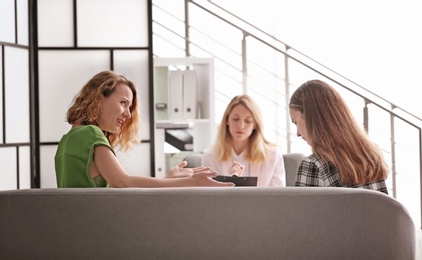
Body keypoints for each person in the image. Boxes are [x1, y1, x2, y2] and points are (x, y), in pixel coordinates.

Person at [55, 70, 234, 188]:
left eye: (129, 107)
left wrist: (168, 179)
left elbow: (120, 185)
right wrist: (190, 182)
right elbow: (123, 183)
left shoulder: (67, 140)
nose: (128, 115)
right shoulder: (91, 134)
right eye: (123, 103)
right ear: (99, 98)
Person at [289, 79, 389, 194]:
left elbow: (301, 211)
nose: (297, 133)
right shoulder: (371, 156)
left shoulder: (313, 165)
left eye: (295, 122)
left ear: (311, 118)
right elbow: (384, 209)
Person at [202, 94, 286, 187]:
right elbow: (209, 198)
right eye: (235, 119)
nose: (241, 125)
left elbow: (278, 197)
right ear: (227, 120)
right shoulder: (210, 155)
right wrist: (230, 182)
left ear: (255, 124)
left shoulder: (273, 155)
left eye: (248, 121)